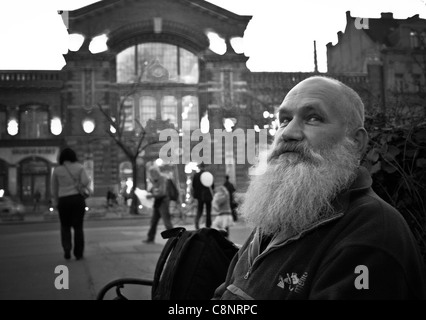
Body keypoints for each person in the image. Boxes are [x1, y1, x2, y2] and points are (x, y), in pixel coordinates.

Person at [213, 76, 426, 299]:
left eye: (313, 118)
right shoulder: (280, 217)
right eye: (284, 120)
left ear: (356, 142)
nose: (287, 133)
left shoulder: (372, 231)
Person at [51, 147, 90, 261]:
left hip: (63, 200)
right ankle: (78, 253)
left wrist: (56, 202)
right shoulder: (79, 167)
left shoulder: (57, 170)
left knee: (65, 226)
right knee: (78, 227)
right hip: (77, 199)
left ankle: (67, 249)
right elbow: (86, 181)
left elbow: (54, 188)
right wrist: (79, 184)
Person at [143, 166, 173, 244]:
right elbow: (153, 189)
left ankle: (174, 239)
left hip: (163, 202)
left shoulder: (162, 179)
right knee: (154, 221)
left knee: (166, 221)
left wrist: (152, 195)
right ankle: (150, 238)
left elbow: (162, 192)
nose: (151, 175)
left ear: (156, 172)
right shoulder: (155, 180)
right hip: (158, 202)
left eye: (152, 173)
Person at [191, 162, 214, 229]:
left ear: (199, 167)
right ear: (205, 167)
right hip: (207, 195)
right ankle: (208, 225)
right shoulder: (208, 175)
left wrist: (195, 194)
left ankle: (197, 222)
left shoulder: (196, 175)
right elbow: (212, 185)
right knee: (208, 210)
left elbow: (193, 186)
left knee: (199, 210)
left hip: (199, 196)